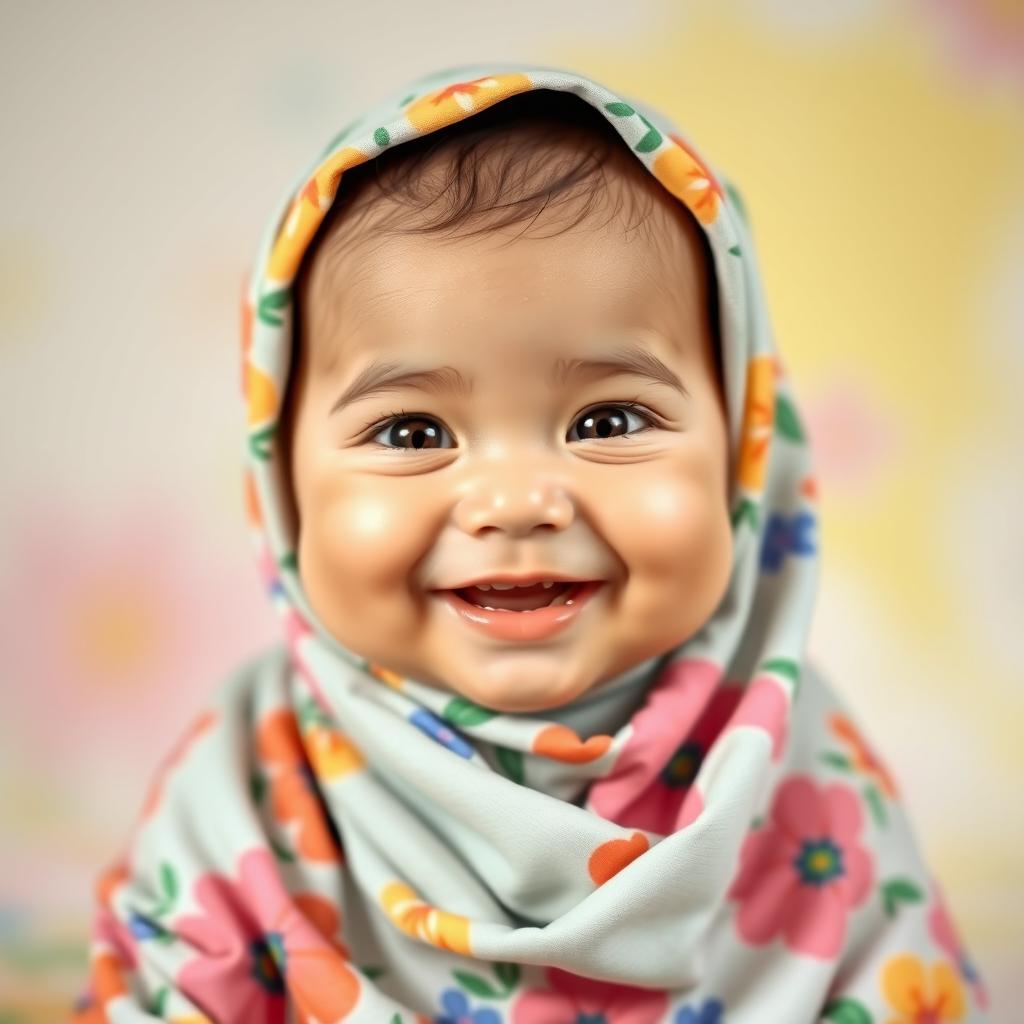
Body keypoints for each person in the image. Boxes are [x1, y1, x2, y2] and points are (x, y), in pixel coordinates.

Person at [68, 63, 991, 1023]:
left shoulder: (795, 765)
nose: (514, 503)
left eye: (608, 420)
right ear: (282, 481)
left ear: (744, 452)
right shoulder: (247, 786)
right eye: (413, 434)